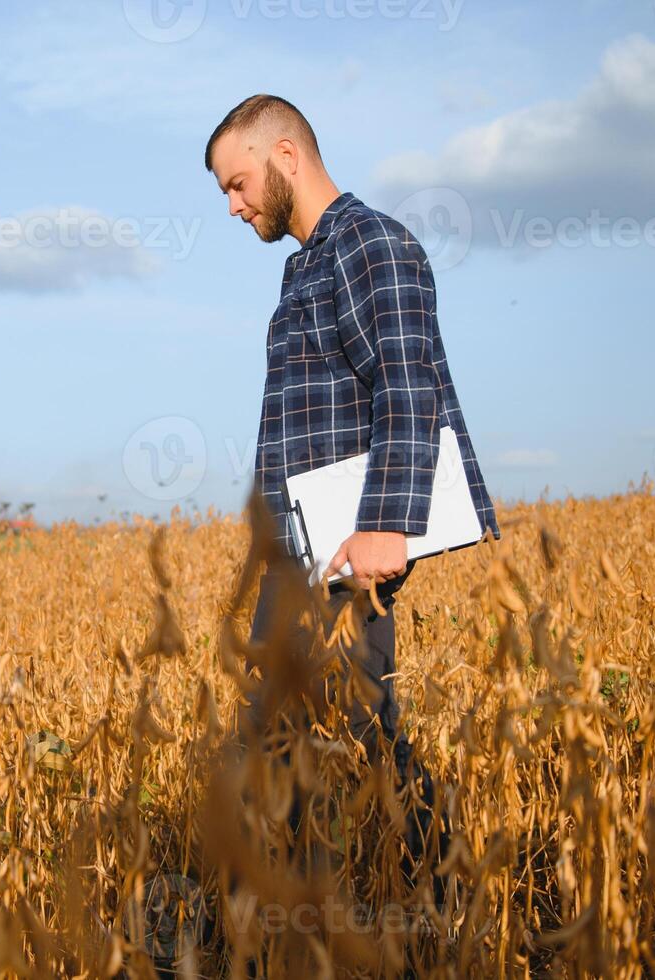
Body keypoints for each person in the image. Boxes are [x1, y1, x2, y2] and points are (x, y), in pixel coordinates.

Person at [203, 94, 501, 881]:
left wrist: (385, 527)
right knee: (289, 740)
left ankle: (441, 904)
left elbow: (407, 388)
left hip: (347, 549)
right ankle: (304, 918)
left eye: (237, 184)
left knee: (354, 738)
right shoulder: (308, 264)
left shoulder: (369, 245)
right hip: (298, 555)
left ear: (286, 158)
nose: (233, 207)